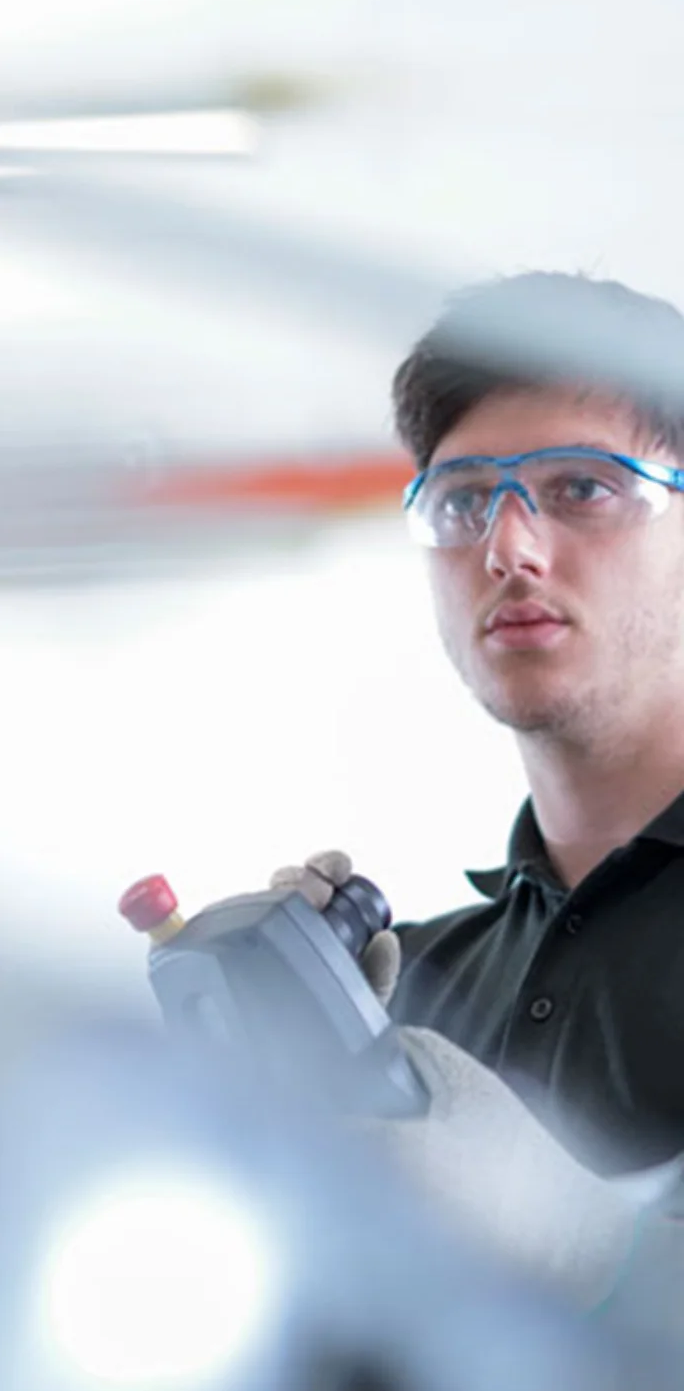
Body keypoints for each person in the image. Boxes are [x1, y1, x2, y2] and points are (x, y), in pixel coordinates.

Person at [285, 270, 684, 1195]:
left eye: (583, 487)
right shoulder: (411, 991)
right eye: (465, 502)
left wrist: (596, 1251)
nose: (508, 548)